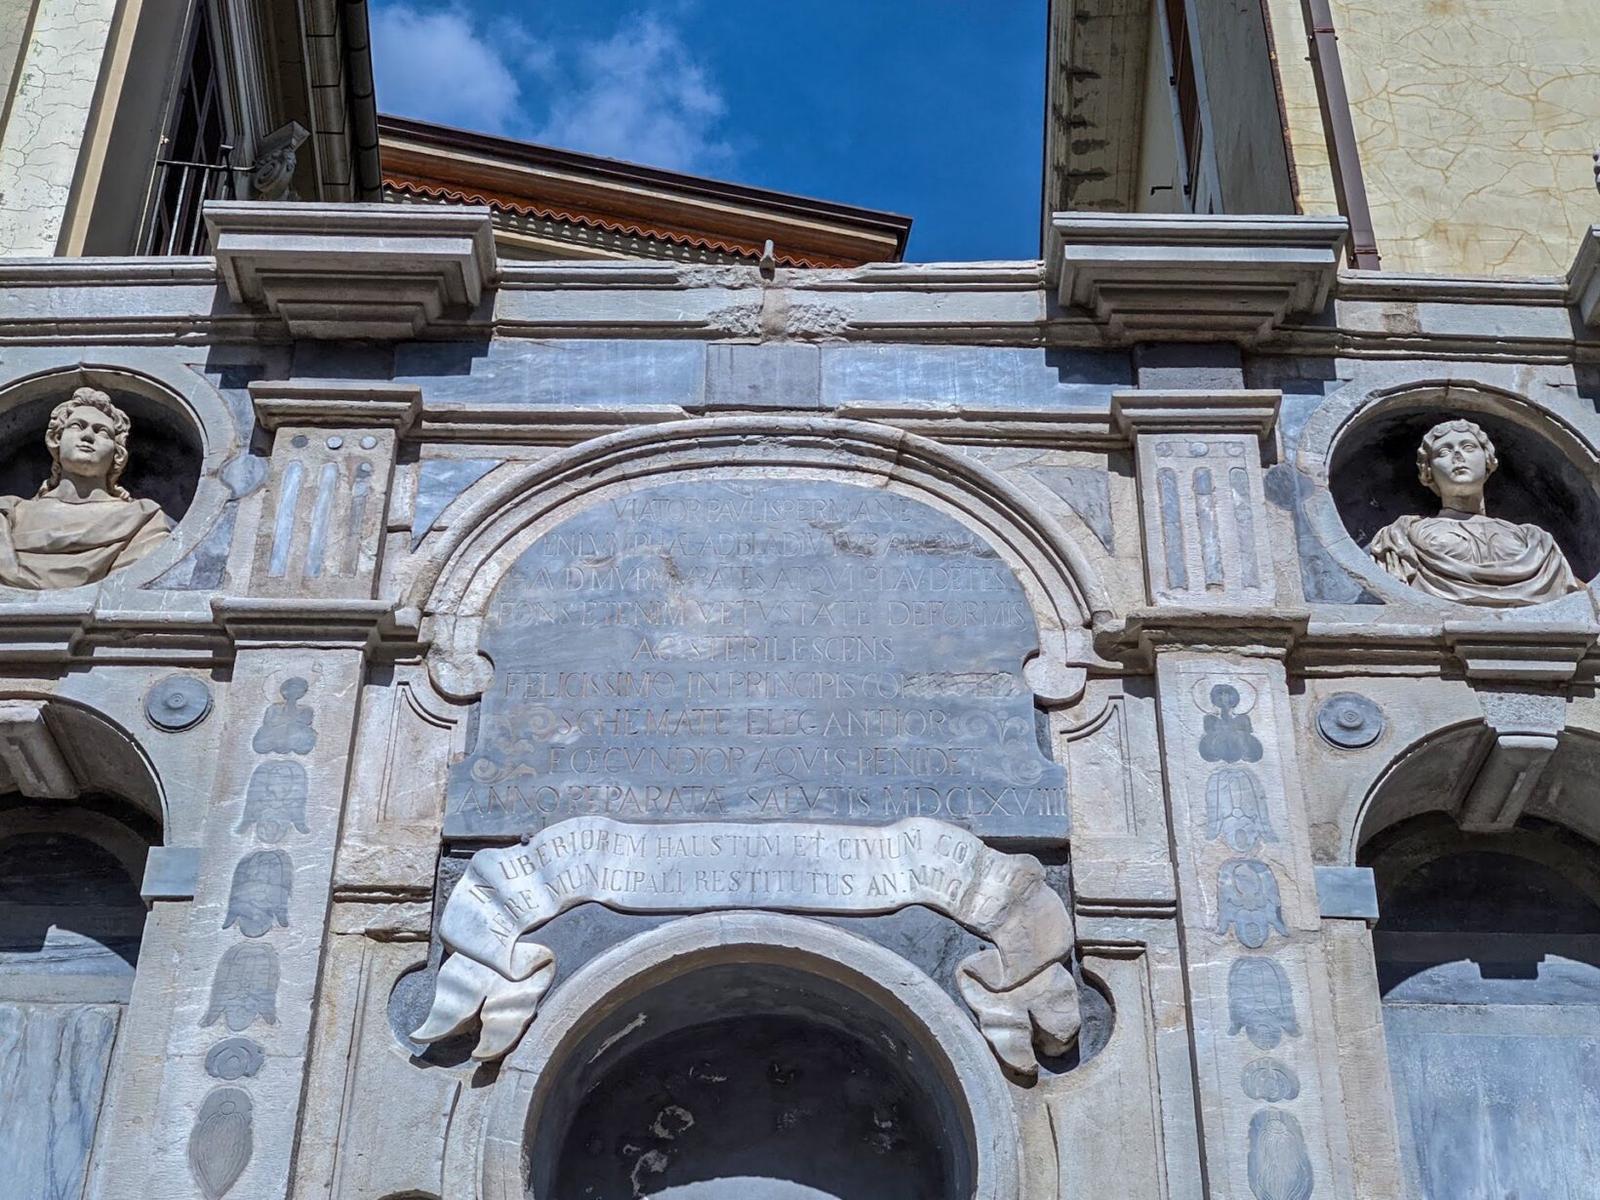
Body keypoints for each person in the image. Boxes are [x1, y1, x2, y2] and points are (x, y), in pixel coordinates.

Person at [1368, 418, 1583, 606]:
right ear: (1428, 472)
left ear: (1488, 460)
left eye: (1468, 447)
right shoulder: (1402, 536)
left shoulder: (1535, 541)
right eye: (1444, 452)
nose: (1457, 456)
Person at [0, 387, 172, 589]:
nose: (88, 436)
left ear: (117, 454)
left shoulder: (143, 520)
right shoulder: (9, 515)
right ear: (56, 439)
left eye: (102, 432)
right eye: (77, 426)